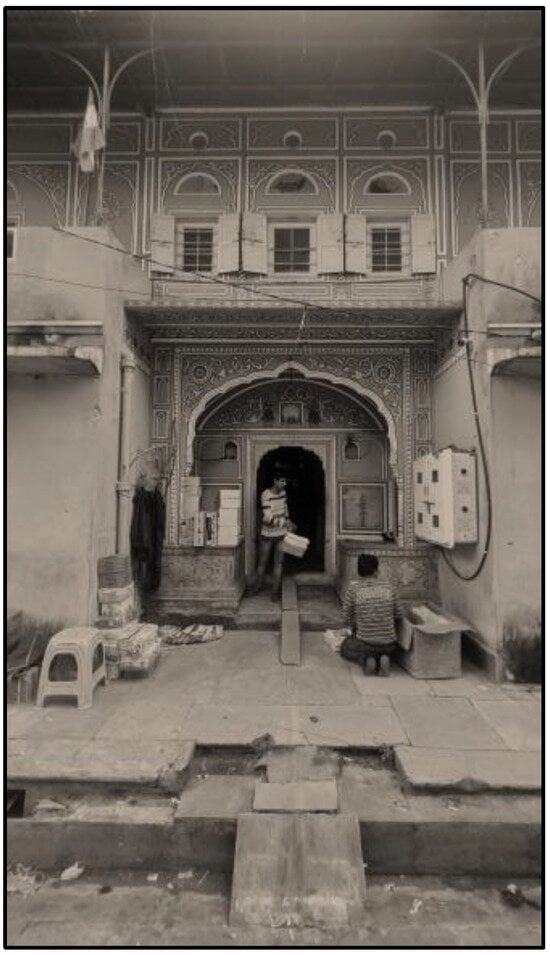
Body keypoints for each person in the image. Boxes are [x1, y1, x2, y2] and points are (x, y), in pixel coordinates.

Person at [340, 553, 402, 676]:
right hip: (389, 643)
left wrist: (354, 625)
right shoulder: (389, 587)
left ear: (359, 571)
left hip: (365, 642)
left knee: (345, 647)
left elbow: (346, 617)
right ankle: (384, 656)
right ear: (376, 570)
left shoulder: (354, 589)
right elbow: (399, 614)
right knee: (388, 647)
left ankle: (367, 659)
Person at [251, 471, 295, 601]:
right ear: (275, 480)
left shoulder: (283, 493)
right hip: (268, 534)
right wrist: (284, 523)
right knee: (262, 563)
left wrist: (289, 521)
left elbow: (285, 510)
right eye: (282, 481)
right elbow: (268, 517)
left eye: (285, 481)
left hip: (281, 534)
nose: (284, 484)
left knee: (278, 563)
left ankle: (275, 592)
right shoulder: (266, 494)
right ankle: (257, 586)